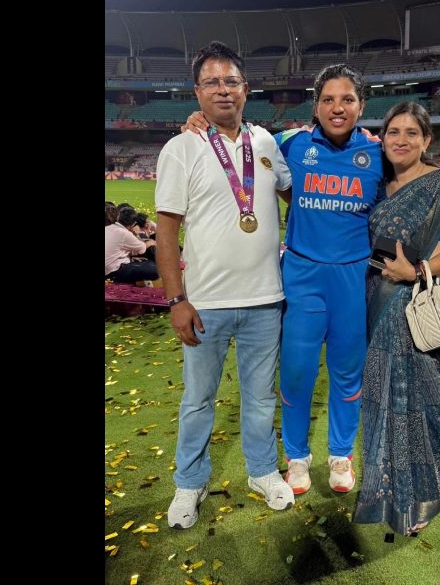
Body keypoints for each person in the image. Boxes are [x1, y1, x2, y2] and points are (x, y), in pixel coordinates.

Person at [184, 64, 440, 498]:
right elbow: (241, 135)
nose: (338, 108)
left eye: (348, 100)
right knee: (296, 375)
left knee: (347, 375)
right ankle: (297, 459)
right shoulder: (290, 145)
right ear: (315, 105)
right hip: (301, 280)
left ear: (362, 106)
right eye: (328, 100)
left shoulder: (377, 155)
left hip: (353, 283)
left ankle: (341, 455)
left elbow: (415, 182)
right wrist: (199, 119)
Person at [154, 41, 295, 530]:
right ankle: (189, 483)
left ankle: (261, 471)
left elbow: (299, 195)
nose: (222, 90)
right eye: (211, 82)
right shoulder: (180, 147)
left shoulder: (268, 144)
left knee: (260, 398)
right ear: (197, 92)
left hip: (265, 299)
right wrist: (176, 298)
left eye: (230, 81)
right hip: (206, 303)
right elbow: (167, 231)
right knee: (197, 400)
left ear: (246, 89)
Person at [351, 101, 440, 536]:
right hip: (374, 303)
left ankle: (422, 498)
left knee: (423, 405)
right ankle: (387, 491)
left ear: (427, 141)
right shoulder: (376, 182)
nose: (401, 140)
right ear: (382, 137)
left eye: (412, 133)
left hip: (415, 309)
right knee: (382, 399)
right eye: (393, 132)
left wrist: (419, 270)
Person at [105, 207, 158, 283]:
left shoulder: (108, 228)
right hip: (113, 272)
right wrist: (151, 242)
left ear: (118, 217)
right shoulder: (124, 233)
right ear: (133, 223)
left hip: (109, 268)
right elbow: (142, 249)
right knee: (153, 268)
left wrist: (130, 258)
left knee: (145, 264)